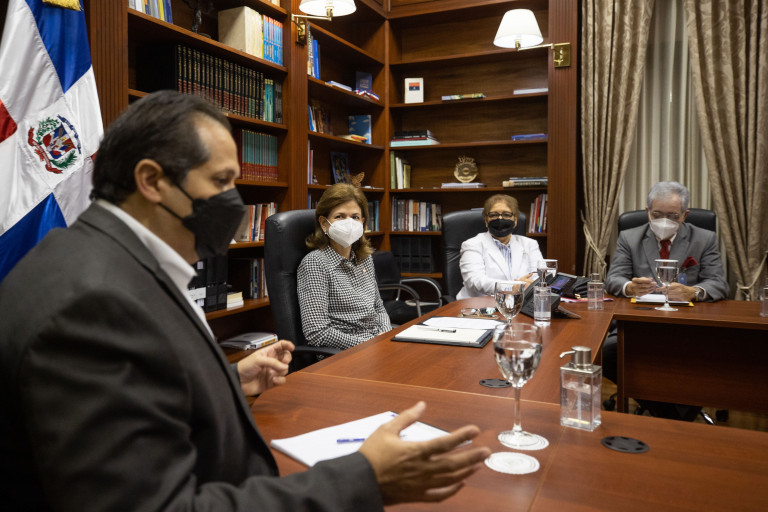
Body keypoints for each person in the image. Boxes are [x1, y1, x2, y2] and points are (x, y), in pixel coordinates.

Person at [0, 91, 490, 511]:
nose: (234, 202)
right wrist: (363, 479)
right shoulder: (95, 302)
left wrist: (226, 380)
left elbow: (141, 391)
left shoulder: (115, 262)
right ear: (151, 181)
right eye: (220, 182)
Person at [602, 181, 728, 420]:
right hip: (639, 325)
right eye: (657, 214)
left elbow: (718, 283)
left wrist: (694, 291)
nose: (664, 221)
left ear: (685, 215)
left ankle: (669, 416)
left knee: (707, 354)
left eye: (672, 216)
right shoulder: (629, 237)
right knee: (608, 353)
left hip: (689, 325)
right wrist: (629, 287)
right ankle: (675, 417)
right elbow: (614, 278)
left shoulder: (704, 238)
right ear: (647, 211)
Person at [297, 183, 391, 350]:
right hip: (343, 352)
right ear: (324, 223)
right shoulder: (315, 263)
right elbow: (317, 332)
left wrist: (386, 336)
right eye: (340, 216)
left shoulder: (365, 258)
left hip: (377, 342)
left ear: (362, 222)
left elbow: (378, 307)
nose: (349, 223)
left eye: (355, 217)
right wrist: (370, 346)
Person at [457, 194, 543, 299]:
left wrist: (520, 287)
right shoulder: (472, 245)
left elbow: (539, 278)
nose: (500, 219)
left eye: (506, 215)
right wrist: (513, 287)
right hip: (480, 304)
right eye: (494, 215)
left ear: (515, 220)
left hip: (520, 303)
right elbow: (475, 281)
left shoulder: (530, 244)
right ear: (486, 220)